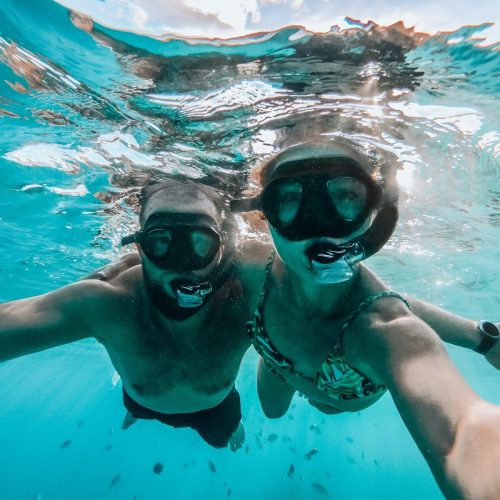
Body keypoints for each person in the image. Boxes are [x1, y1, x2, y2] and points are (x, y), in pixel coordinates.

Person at [230, 137, 500, 497]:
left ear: (375, 213)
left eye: (345, 195)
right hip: (279, 364)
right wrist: (480, 338)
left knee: (336, 393)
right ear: (265, 211)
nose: (319, 222)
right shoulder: (250, 264)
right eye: (289, 198)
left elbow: (462, 430)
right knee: (273, 412)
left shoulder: (385, 330)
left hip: (339, 391)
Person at [0, 179, 251, 449]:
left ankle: (221, 425)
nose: (181, 263)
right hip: (141, 401)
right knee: (138, 406)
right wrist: (89, 285)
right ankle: (136, 412)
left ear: (221, 249)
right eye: (162, 241)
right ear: (140, 247)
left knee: (223, 441)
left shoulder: (247, 297)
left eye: (200, 241)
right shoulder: (110, 302)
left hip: (215, 410)